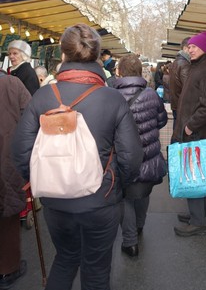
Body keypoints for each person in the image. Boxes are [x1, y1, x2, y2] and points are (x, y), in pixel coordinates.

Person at [12, 23, 143, 290]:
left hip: (56, 202)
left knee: (64, 260)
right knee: (96, 270)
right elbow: (131, 159)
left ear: (62, 55)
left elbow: (20, 152)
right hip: (101, 201)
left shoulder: (43, 96)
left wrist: (44, 181)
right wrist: (115, 186)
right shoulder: (113, 98)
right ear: (96, 57)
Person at [113, 53, 167, 257]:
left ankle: (130, 242)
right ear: (139, 72)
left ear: (120, 71)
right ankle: (139, 226)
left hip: (123, 156)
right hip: (148, 156)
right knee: (143, 191)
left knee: (124, 197)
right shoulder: (151, 94)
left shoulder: (112, 95)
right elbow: (161, 121)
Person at [172, 31, 206, 237]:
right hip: (194, 130)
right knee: (197, 174)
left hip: (196, 132)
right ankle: (199, 215)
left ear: (203, 47)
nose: (188, 49)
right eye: (188, 46)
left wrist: (190, 126)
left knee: (194, 175)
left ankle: (198, 220)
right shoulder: (199, 66)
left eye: (192, 46)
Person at [0, 70, 31, 289]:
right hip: (6, 160)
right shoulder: (12, 84)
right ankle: (7, 269)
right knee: (7, 217)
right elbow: (30, 121)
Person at [169, 37, 191, 127]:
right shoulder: (184, 64)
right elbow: (188, 87)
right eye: (191, 48)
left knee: (177, 131)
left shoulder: (177, 62)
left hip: (176, 104)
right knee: (179, 134)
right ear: (185, 48)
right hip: (182, 106)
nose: (193, 51)